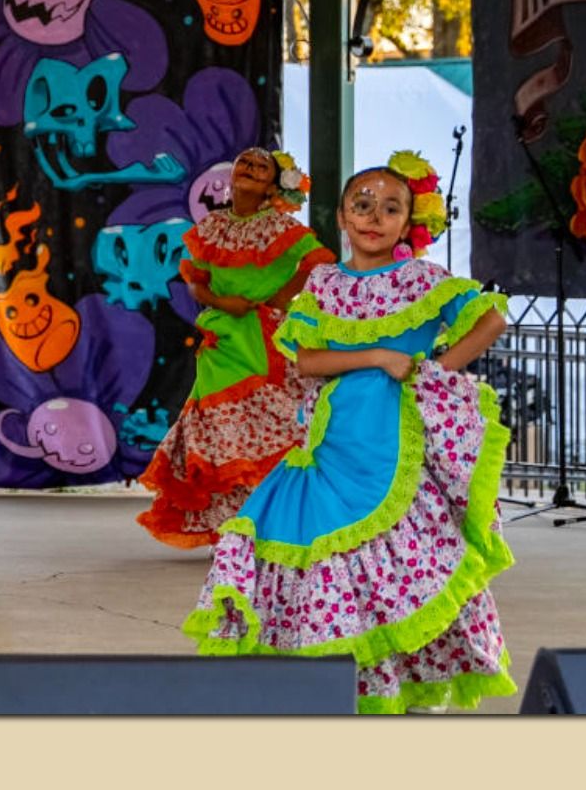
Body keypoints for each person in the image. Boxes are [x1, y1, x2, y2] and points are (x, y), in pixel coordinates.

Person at [182, 151, 516, 714]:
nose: (374, 217)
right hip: (334, 440)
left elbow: (492, 317)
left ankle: (401, 680)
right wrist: (382, 354)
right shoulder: (324, 284)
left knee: (404, 560)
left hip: (395, 439)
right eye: (363, 204)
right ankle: (340, 680)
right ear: (340, 216)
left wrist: (437, 370)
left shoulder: (422, 281)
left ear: (408, 221)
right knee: (316, 548)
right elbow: (306, 361)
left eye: (391, 208)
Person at [138, 149, 333, 547]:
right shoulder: (212, 227)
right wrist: (221, 301)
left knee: (268, 426)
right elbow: (195, 281)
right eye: (245, 163)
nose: (250, 169)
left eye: (261, 167)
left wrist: (281, 296)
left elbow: (318, 262)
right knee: (220, 428)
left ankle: (271, 521)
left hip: (264, 337)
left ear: (271, 185)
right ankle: (235, 526)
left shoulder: (279, 227)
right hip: (222, 337)